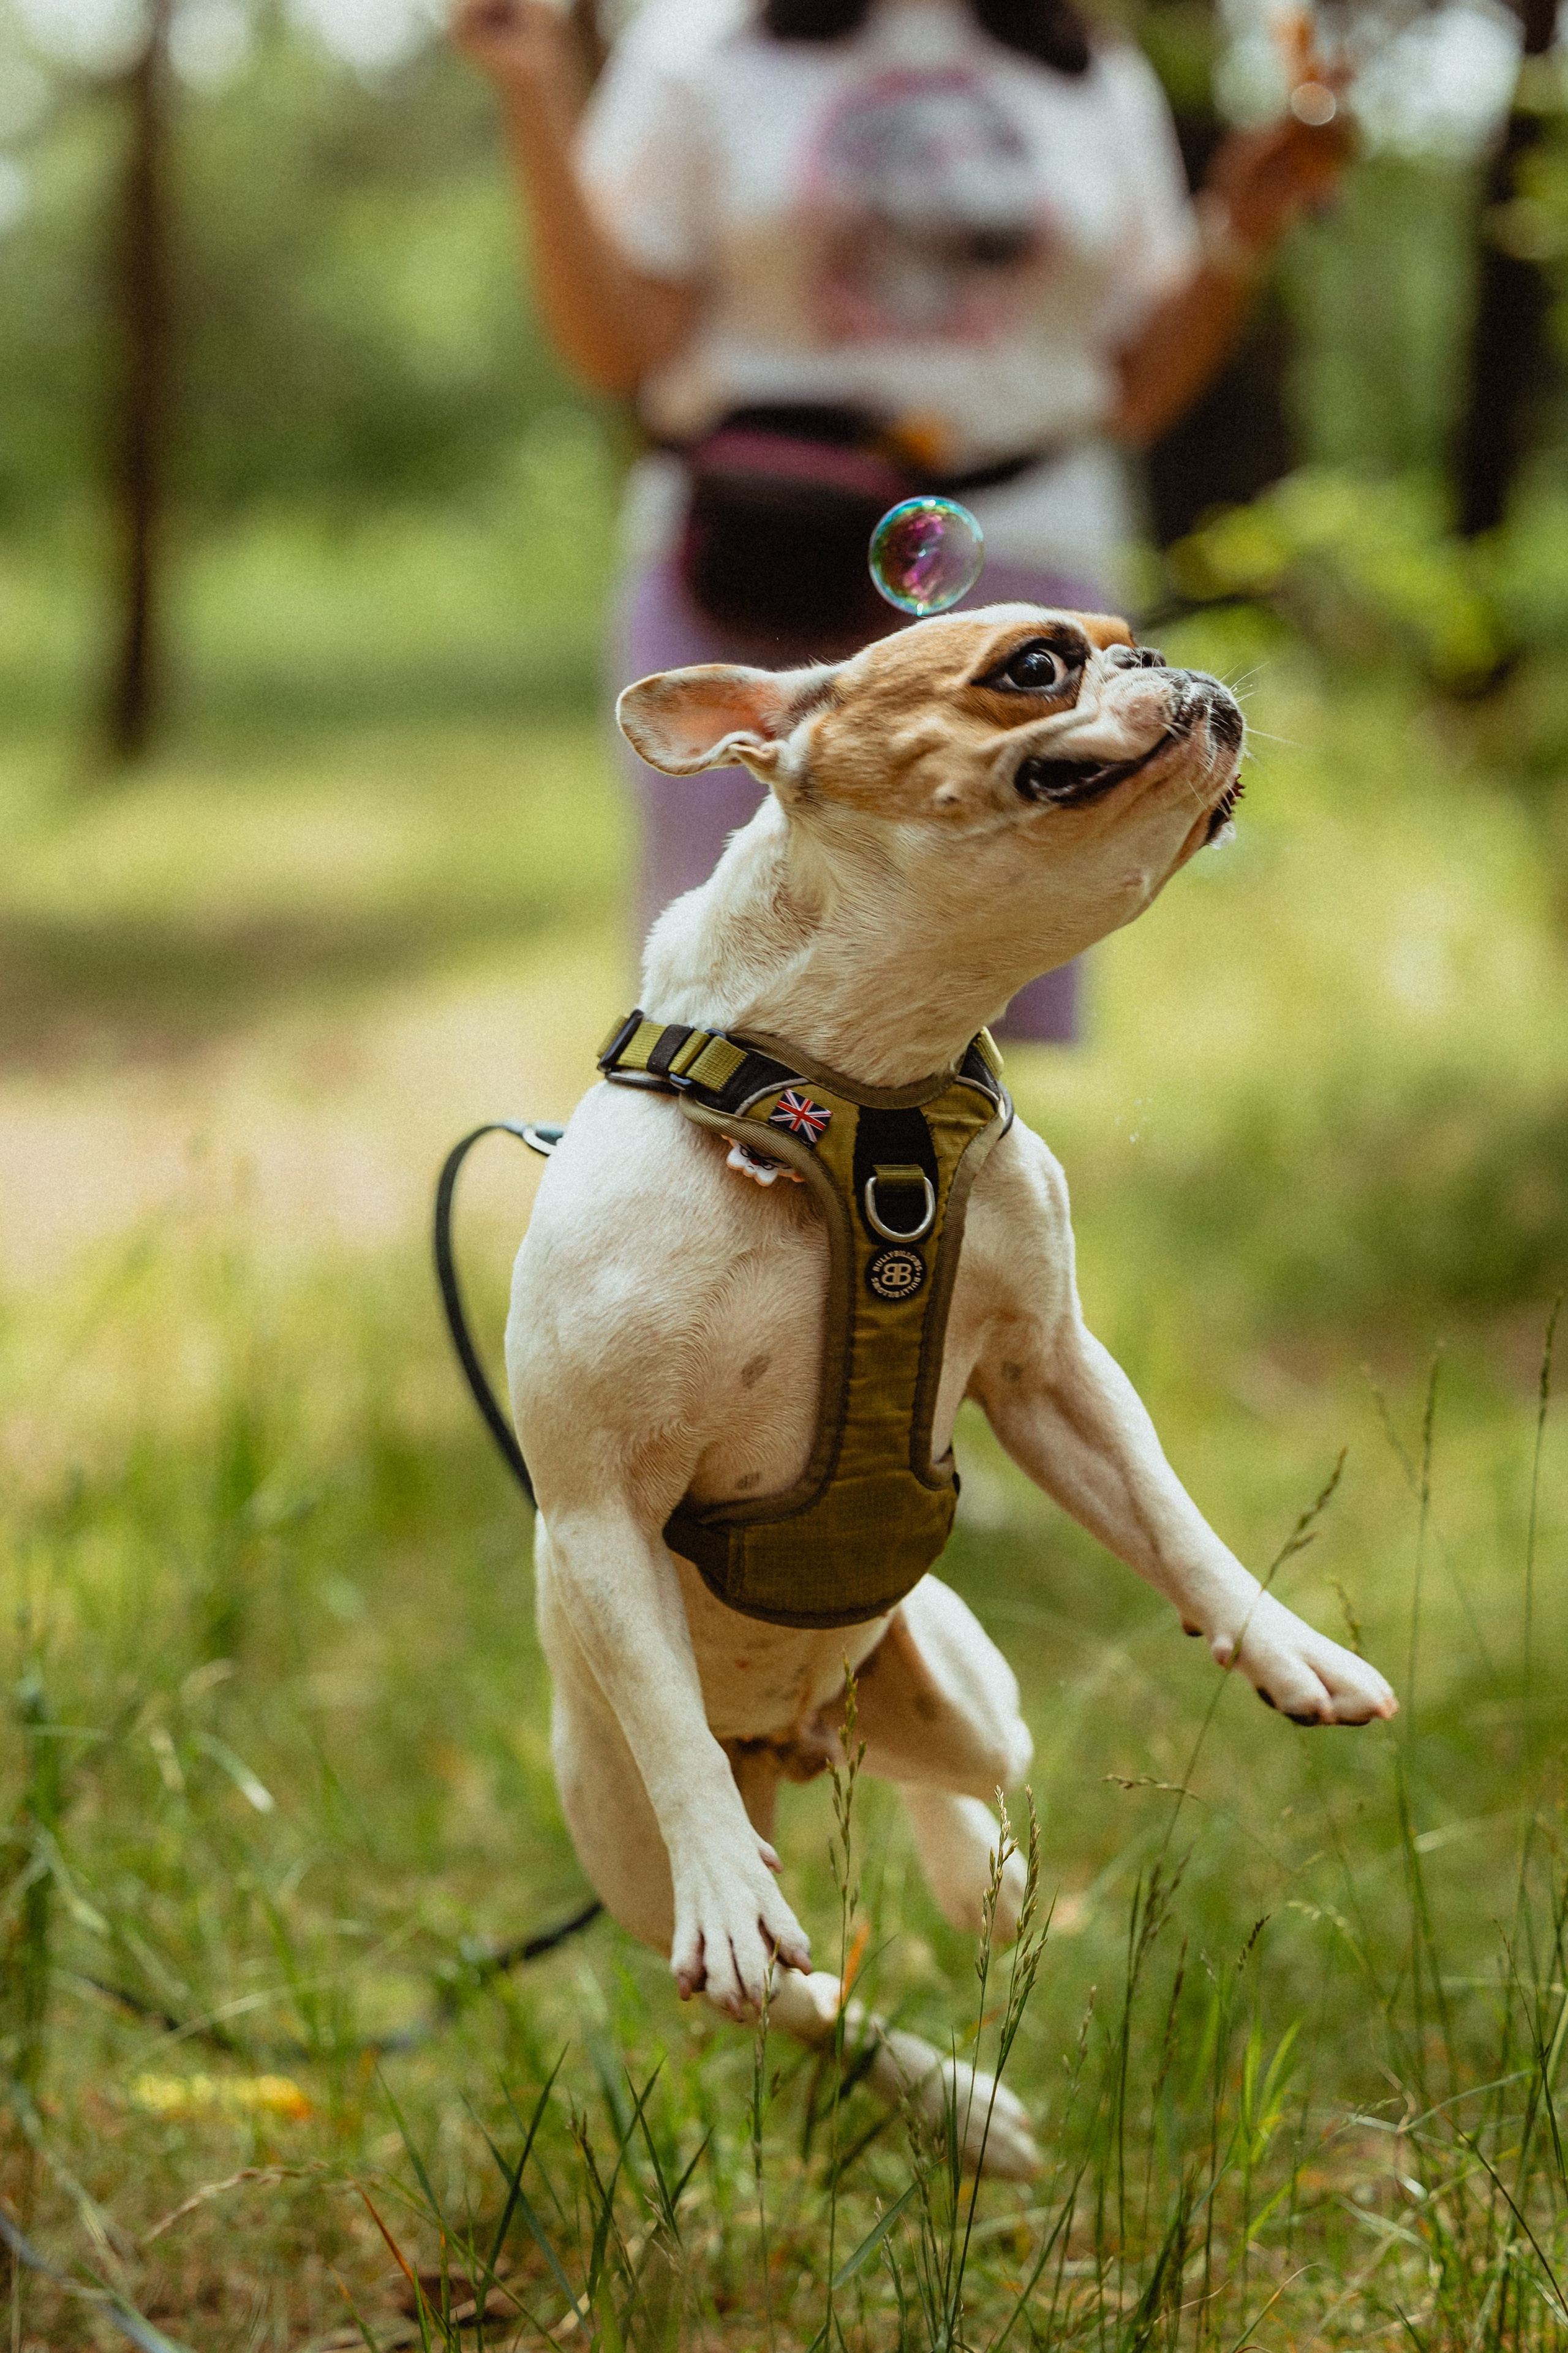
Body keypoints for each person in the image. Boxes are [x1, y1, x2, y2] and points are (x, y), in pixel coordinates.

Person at [453, 0, 1344, 1041]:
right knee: (730, 1006)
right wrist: (535, 85)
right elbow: (613, 348)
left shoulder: (1086, 66)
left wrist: (1241, 223)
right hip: (754, 572)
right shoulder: (705, 42)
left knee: (986, 1022)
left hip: (1027, 567)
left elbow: (1137, 384)